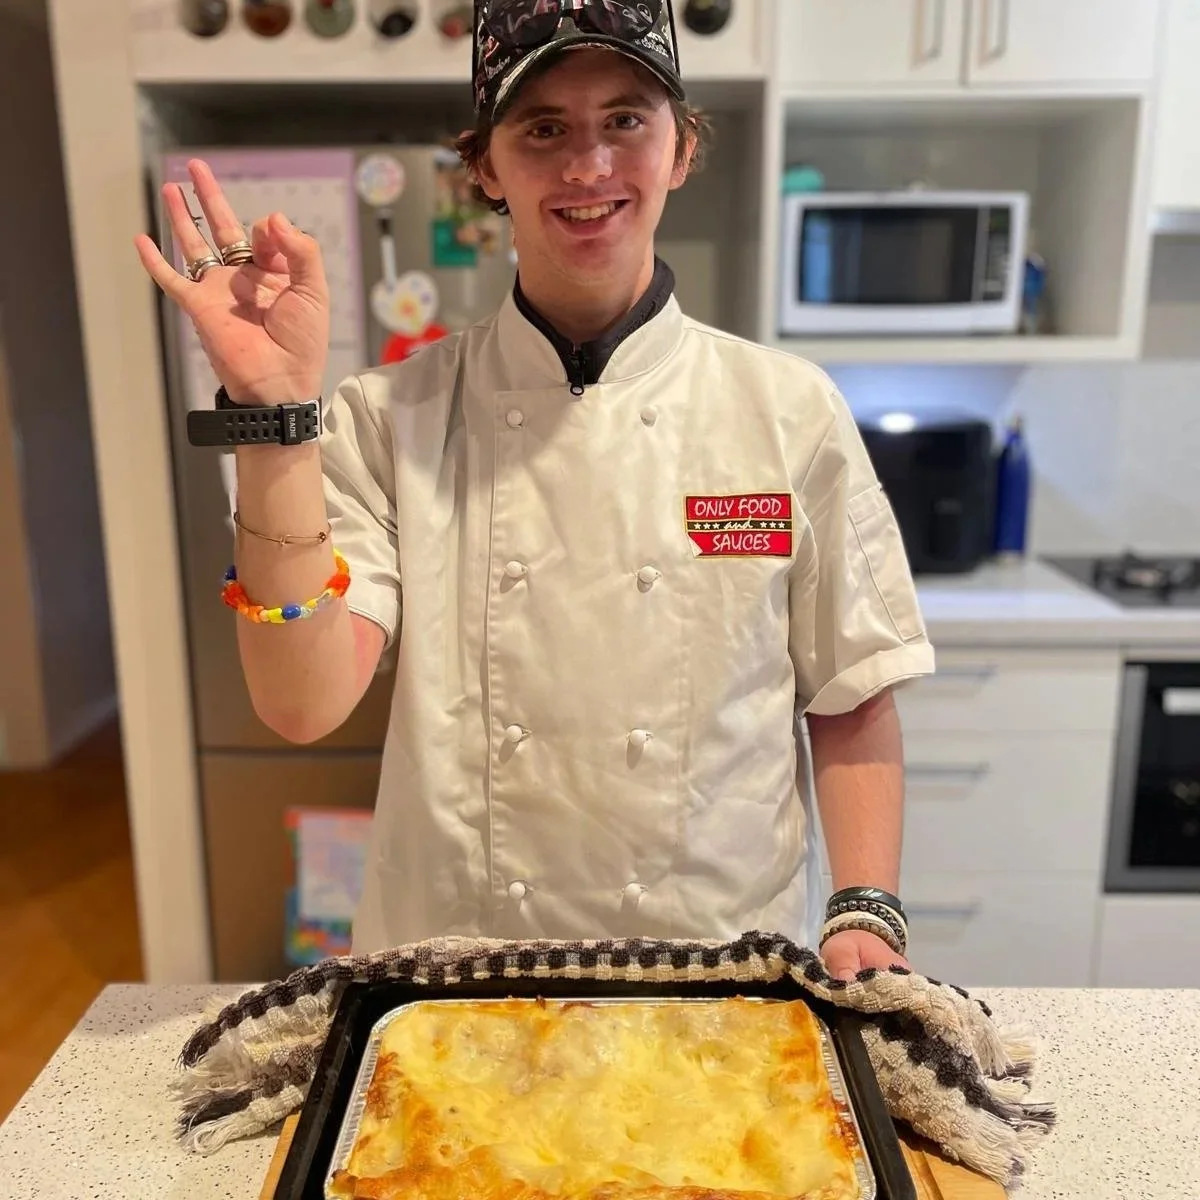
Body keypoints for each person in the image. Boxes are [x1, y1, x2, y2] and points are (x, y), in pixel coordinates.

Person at [133, 0, 935, 981]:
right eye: (544, 127)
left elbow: (850, 693)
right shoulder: (394, 415)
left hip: (716, 978)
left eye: (626, 120)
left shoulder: (785, 408)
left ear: (681, 147)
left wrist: (867, 910)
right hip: (459, 982)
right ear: (484, 168)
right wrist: (274, 419)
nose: (588, 166)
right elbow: (303, 702)